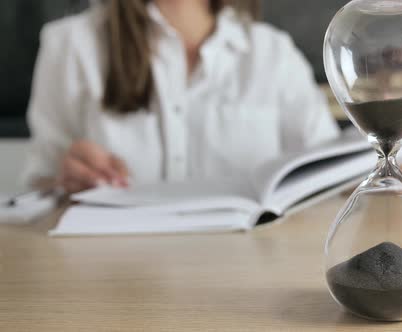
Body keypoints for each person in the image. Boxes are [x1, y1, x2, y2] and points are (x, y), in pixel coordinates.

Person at [24, 0, 340, 193]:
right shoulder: (70, 46)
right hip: (117, 279)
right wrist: (64, 180)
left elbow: (333, 175)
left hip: (244, 272)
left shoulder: (273, 52)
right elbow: (37, 186)